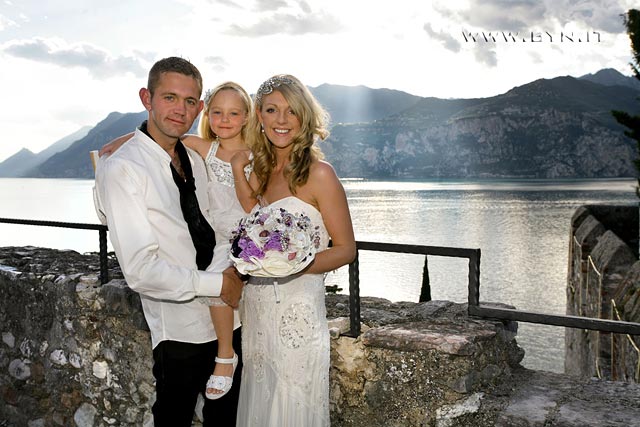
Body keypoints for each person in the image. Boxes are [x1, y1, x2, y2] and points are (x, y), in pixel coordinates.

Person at [93, 57, 244, 427]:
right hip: (179, 328)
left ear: (200, 107)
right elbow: (141, 271)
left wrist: (236, 269)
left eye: (190, 101)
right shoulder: (123, 169)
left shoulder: (194, 155)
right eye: (170, 98)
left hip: (230, 319)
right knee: (173, 418)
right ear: (147, 97)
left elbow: (217, 225)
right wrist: (219, 284)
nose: (181, 110)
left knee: (225, 420)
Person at [234, 74, 356, 426]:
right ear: (260, 115)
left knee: (292, 406)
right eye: (272, 110)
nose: (282, 120)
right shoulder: (262, 170)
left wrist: (293, 267)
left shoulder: (320, 174)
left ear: (304, 117)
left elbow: (346, 249)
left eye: (291, 111)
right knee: (260, 400)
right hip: (255, 313)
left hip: (297, 316)